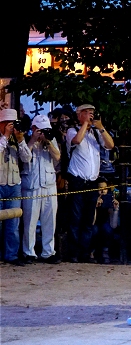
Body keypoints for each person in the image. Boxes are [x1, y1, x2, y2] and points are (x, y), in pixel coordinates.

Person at [65, 104, 114, 263]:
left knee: (88, 221)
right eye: (87, 113)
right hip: (78, 181)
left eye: (92, 113)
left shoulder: (95, 134)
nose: (91, 116)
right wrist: (85, 124)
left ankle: (85, 253)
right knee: (75, 219)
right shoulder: (72, 131)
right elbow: (77, 140)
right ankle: (72, 253)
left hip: (92, 182)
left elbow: (110, 145)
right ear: (79, 115)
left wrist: (100, 128)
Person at [21, 115, 60, 264]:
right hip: (31, 186)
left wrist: (48, 142)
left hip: (49, 185)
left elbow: (57, 157)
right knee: (29, 221)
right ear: (34, 129)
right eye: (40, 130)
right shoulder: (25, 140)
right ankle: (28, 252)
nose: (43, 132)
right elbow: (24, 158)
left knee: (50, 220)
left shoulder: (51, 140)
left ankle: (48, 252)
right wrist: (32, 141)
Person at [0, 109, 32, 265]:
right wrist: (5, 136)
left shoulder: (16, 140)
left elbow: (27, 158)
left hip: (14, 184)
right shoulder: (3, 139)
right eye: (9, 124)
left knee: (13, 223)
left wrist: (20, 140)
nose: (12, 127)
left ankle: (11, 255)